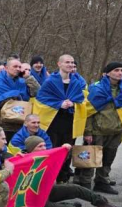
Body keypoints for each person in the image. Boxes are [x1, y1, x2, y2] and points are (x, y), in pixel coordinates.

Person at [20, 136, 122, 207]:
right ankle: (64, 205)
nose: (44, 148)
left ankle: (104, 204)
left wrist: (65, 150)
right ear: (31, 149)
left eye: (44, 145)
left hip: (47, 191)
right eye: (40, 146)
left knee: (76, 188)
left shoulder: (44, 157)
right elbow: (18, 193)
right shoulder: (23, 163)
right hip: (35, 200)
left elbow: (58, 162)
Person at [76, 62, 122, 193]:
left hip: (116, 131)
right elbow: (87, 112)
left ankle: (102, 181)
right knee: (90, 159)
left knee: (108, 159)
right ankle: (85, 183)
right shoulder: (96, 89)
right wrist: (87, 132)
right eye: (116, 70)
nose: (120, 73)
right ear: (108, 73)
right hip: (97, 131)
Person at [32, 54, 87, 183]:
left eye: (72, 63)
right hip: (53, 122)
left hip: (70, 122)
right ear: (59, 64)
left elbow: (82, 100)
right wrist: (59, 104)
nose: (70, 65)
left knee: (67, 151)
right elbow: (41, 100)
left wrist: (74, 103)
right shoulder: (50, 81)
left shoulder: (76, 82)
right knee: (52, 150)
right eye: (67, 62)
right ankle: (47, 180)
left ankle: (63, 178)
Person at [0, 57, 40, 139]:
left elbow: (37, 92)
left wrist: (28, 78)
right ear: (6, 68)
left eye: (19, 67)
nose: (18, 69)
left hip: (20, 121)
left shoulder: (22, 81)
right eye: (15, 66)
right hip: (3, 122)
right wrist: (15, 93)